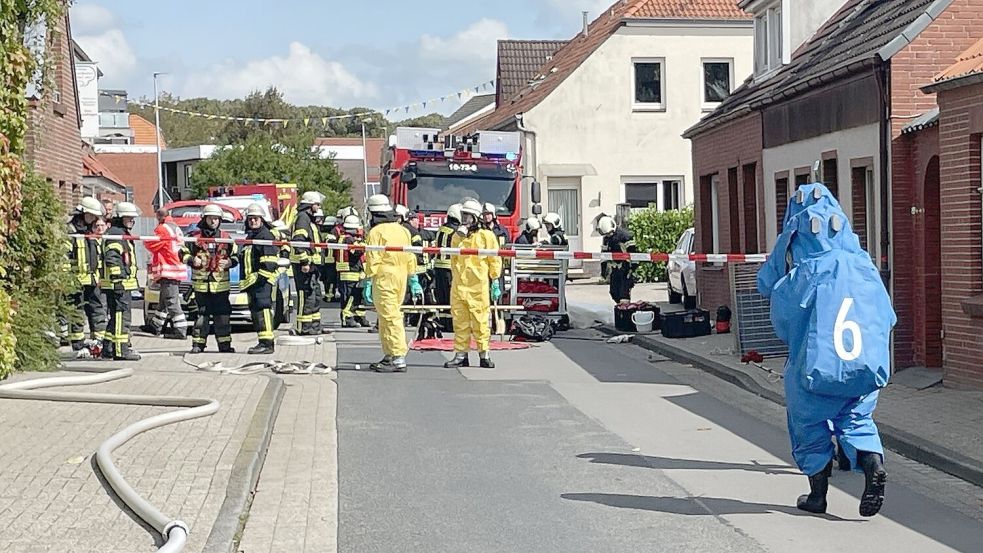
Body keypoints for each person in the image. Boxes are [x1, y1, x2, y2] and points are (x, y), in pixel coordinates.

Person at [758, 183, 894, 517]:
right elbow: (887, 316)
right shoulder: (864, 266)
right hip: (864, 369)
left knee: (808, 426)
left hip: (815, 369)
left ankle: (817, 495)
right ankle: (872, 465)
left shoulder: (805, 271)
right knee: (857, 420)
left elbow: (782, 316)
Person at [444, 199, 502, 369]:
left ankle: (484, 354)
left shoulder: (486, 236)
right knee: (460, 321)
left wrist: (495, 280)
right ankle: (461, 355)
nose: (465, 220)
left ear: (476, 218)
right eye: (464, 216)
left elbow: (494, 259)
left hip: (478, 286)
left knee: (481, 321)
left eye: (469, 216)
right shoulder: (457, 236)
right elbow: (454, 260)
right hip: (459, 285)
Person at [362, 194, 418, 372]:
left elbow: (373, 258)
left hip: (384, 279)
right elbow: (410, 256)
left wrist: (368, 279)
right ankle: (389, 354)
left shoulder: (376, 233)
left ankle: (398, 357)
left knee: (390, 317)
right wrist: (412, 277)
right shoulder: (402, 230)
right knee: (388, 317)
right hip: (400, 278)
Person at [182, 204, 238, 354]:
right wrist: (192, 260)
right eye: (211, 218)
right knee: (201, 317)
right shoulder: (194, 237)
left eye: (216, 219)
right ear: (204, 218)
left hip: (221, 286)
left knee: (223, 317)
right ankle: (198, 345)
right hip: (201, 287)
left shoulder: (226, 238)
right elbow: (182, 252)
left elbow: (237, 255)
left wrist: (231, 262)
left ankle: (225, 345)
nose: (213, 221)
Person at [100, 202, 141, 361]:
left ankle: (108, 348)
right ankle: (121, 350)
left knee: (115, 318)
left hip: (119, 284)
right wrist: (118, 279)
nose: (131, 221)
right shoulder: (116, 234)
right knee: (121, 317)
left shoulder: (119, 232)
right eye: (128, 218)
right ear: (120, 218)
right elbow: (112, 258)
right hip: (119, 284)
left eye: (132, 218)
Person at [64, 197, 106, 350]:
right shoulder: (71, 232)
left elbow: (97, 256)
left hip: (92, 280)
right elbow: (64, 257)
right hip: (75, 281)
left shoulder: (90, 231)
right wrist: (67, 279)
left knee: (97, 309)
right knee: (76, 312)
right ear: (83, 213)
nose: (95, 219)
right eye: (92, 216)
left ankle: (99, 341)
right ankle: (78, 342)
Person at [240, 203, 281, 355]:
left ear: (262, 220)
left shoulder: (265, 236)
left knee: (263, 310)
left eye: (256, 219)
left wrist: (258, 279)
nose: (252, 221)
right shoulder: (251, 237)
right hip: (254, 283)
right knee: (256, 313)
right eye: (250, 219)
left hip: (262, 282)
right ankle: (262, 342)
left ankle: (267, 343)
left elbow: (269, 263)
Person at [142, 208, 190, 339]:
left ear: (158, 217)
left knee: (171, 301)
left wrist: (145, 241)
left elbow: (152, 244)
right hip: (175, 268)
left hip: (168, 270)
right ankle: (155, 326)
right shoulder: (175, 227)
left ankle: (180, 330)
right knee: (163, 301)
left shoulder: (162, 228)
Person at [291, 191, 328, 335]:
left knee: (315, 295)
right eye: (317, 204)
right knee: (305, 295)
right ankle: (303, 327)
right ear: (310, 204)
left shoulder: (308, 219)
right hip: (303, 265)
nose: (318, 207)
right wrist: (304, 261)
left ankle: (314, 326)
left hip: (312, 265)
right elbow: (298, 241)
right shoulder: (302, 218)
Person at [337, 215, 370, 328]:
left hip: (351, 271)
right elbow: (355, 251)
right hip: (349, 272)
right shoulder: (348, 239)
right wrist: (364, 245)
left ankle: (358, 315)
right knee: (350, 296)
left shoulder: (345, 237)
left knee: (357, 296)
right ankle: (347, 317)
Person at [433, 204, 461, 332]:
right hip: (450, 267)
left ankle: (443, 322)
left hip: (439, 266)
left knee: (441, 296)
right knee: (451, 296)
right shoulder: (456, 231)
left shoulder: (442, 229)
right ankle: (451, 324)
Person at [597, 215, 637, 304]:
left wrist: (632, 269)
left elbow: (634, 254)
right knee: (614, 292)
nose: (608, 235)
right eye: (606, 234)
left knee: (624, 295)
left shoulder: (625, 236)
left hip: (626, 269)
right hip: (615, 269)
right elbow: (604, 256)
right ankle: (621, 309)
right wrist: (604, 272)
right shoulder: (606, 238)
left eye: (609, 233)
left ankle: (625, 313)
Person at [319, 215, 339, 302]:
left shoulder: (321, 233)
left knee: (325, 279)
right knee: (331, 279)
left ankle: (328, 295)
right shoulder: (333, 235)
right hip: (331, 261)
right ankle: (330, 296)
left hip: (322, 260)